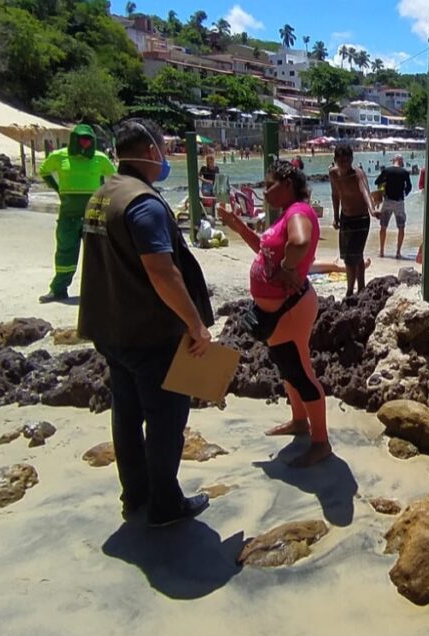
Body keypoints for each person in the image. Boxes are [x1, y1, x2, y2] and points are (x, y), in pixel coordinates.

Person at [78, 118, 214, 526]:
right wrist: (195, 325)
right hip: (150, 334)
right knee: (165, 421)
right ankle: (164, 505)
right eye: (165, 146)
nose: (167, 154)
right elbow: (161, 271)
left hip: (111, 328)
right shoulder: (144, 203)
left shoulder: (103, 194)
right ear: (152, 151)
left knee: (126, 414)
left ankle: (134, 495)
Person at [218, 162, 331, 466]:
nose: (264, 191)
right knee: (288, 371)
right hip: (277, 313)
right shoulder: (286, 215)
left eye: (269, 185)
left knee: (302, 374)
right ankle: (299, 421)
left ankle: (321, 442)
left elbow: (301, 241)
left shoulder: (297, 213)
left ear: (288, 183)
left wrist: (288, 268)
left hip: (290, 309)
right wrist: (237, 225)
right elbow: (264, 250)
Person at [38, 124, 117, 303]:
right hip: (68, 214)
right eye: (82, 139)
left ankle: (102, 291)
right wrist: (58, 189)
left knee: (98, 255)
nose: (85, 143)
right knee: (65, 252)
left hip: (94, 215)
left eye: (89, 139)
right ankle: (58, 289)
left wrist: (106, 197)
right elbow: (43, 171)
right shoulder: (59, 156)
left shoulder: (100, 158)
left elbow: (116, 179)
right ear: (74, 139)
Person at [328, 143, 378, 297]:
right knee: (354, 256)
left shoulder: (358, 173)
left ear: (352, 159)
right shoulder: (333, 174)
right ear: (335, 160)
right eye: (341, 161)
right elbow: (335, 195)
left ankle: (350, 291)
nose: (344, 164)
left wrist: (372, 210)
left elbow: (365, 191)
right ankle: (361, 287)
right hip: (346, 218)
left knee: (351, 259)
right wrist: (336, 217)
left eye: (347, 161)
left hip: (361, 219)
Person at [374, 154, 413, 258]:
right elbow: (409, 186)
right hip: (399, 202)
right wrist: (404, 193)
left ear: (394, 161)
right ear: (401, 161)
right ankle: (398, 252)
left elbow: (377, 181)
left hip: (387, 201)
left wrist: (385, 182)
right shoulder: (405, 172)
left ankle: (381, 251)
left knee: (383, 226)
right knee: (401, 227)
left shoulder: (387, 170)